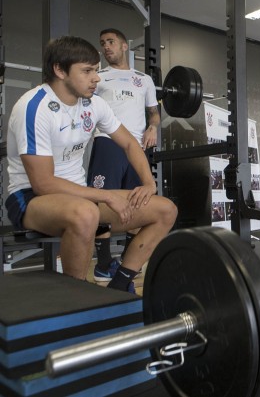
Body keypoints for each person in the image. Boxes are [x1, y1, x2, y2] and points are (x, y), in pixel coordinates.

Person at [4, 36, 177, 292]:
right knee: (86, 213)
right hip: (30, 198)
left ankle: (119, 286)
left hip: (80, 196)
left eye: (96, 69)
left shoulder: (94, 104)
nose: (96, 78)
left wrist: (149, 183)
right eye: (87, 71)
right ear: (60, 70)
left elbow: (130, 144)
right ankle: (79, 299)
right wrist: (107, 196)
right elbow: (43, 183)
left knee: (165, 209)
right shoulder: (34, 107)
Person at [87, 28, 161, 282]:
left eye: (110, 42)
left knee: (139, 202)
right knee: (102, 202)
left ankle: (126, 262)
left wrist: (153, 127)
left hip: (137, 148)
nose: (106, 47)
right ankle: (104, 262)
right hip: (108, 142)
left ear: (124, 46)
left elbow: (154, 113)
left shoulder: (144, 79)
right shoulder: (98, 77)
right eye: (102, 43)